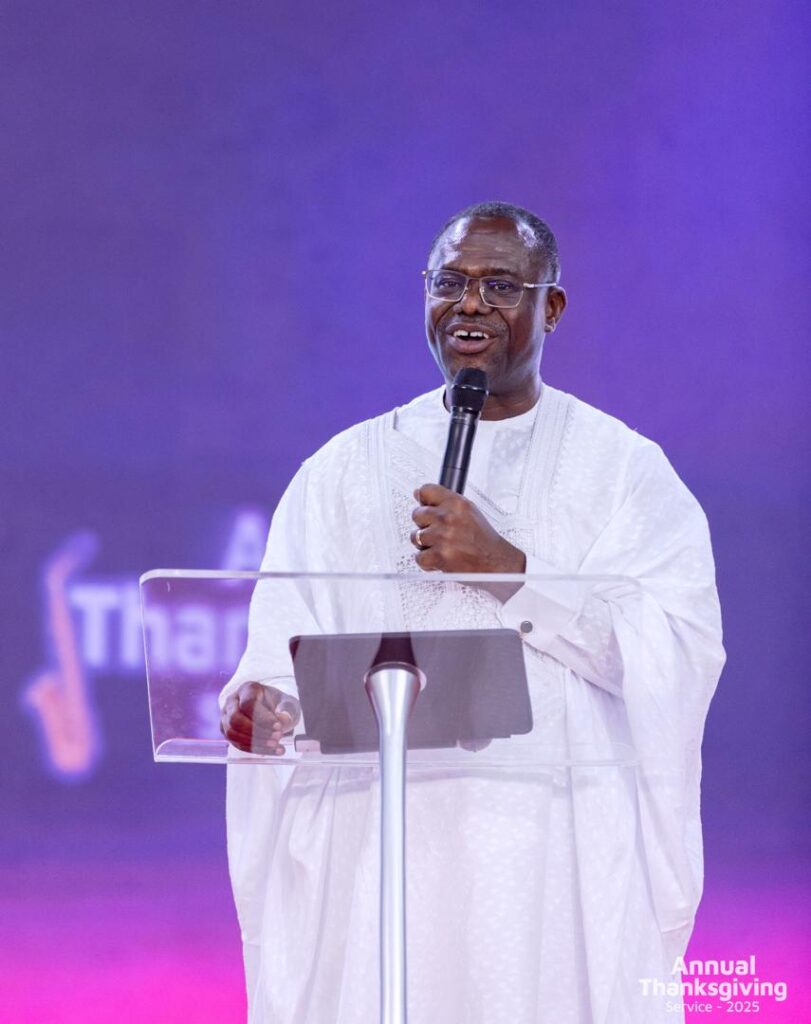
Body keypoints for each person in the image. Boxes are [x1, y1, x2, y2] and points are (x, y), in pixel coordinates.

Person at [219, 201, 725, 1024]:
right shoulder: (341, 469)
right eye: (449, 283)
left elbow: (674, 651)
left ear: (550, 307)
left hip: (552, 849)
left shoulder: (625, 472)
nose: (469, 305)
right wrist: (261, 702)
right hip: (382, 839)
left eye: (500, 286)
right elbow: (281, 646)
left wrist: (509, 572)